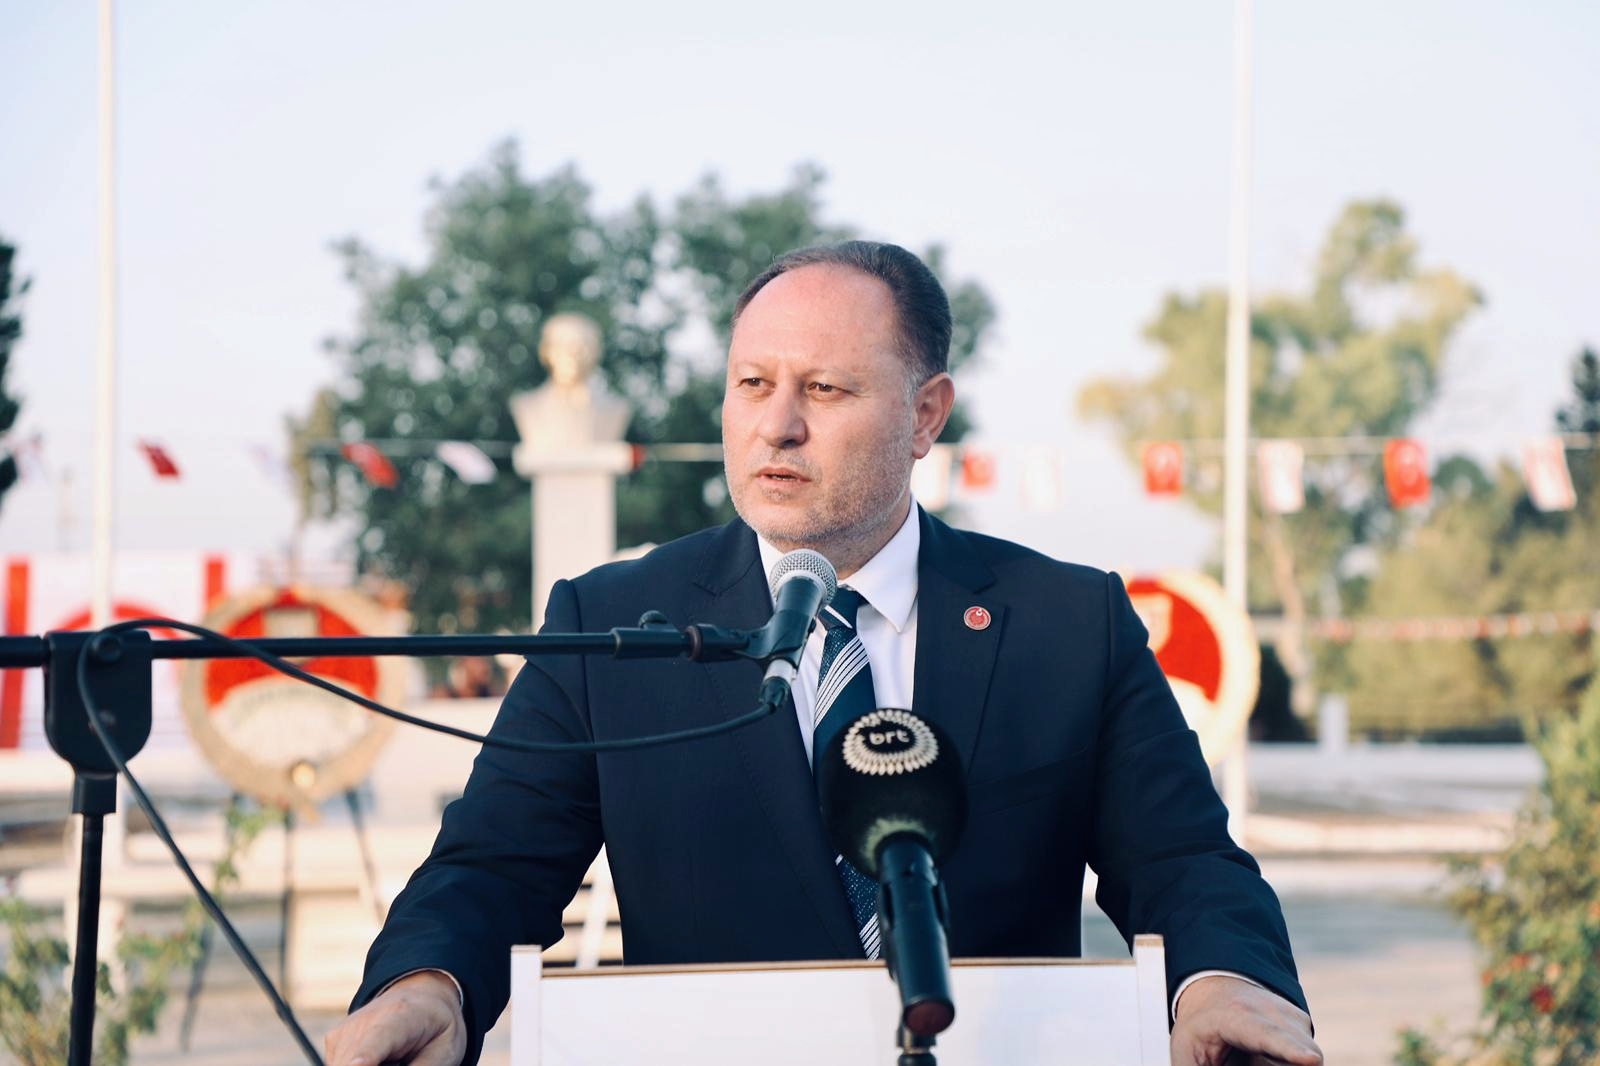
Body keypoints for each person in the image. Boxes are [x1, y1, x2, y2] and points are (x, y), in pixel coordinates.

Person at [325, 241, 1322, 1066]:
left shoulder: (1068, 621)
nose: (778, 424)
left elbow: (1184, 859)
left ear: (925, 414)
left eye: (826, 388)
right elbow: (490, 867)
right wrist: (430, 986)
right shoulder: (612, 623)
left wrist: (1221, 982)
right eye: (752, 384)